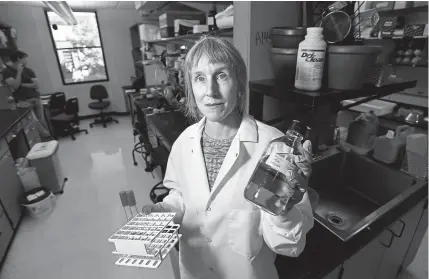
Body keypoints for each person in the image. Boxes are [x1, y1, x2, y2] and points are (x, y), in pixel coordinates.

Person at [143, 36, 314, 279]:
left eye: (221, 76)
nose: (210, 91)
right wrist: (163, 211)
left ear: (240, 84)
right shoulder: (184, 142)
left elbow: (287, 246)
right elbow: (181, 196)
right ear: (191, 87)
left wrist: (283, 207)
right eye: (200, 78)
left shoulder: (276, 148)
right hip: (194, 271)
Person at [2, 50, 51, 139]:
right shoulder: (6, 72)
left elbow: (36, 85)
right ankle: (48, 138)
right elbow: (15, 86)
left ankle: (47, 140)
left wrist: (22, 84)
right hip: (23, 101)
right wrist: (19, 72)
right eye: (25, 59)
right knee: (34, 122)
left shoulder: (28, 70)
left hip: (36, 97)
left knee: (41, 120)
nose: (27, 61)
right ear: (18, 59)